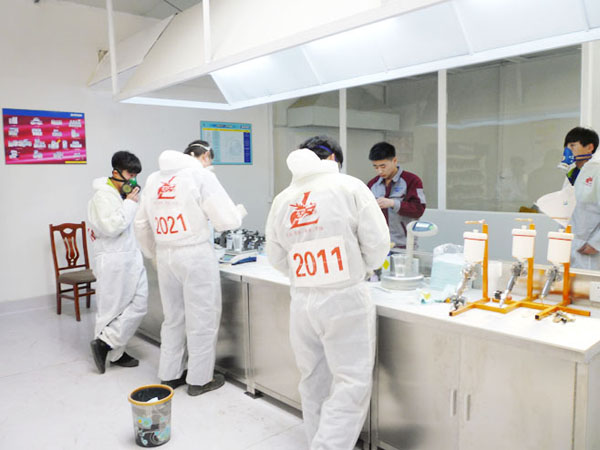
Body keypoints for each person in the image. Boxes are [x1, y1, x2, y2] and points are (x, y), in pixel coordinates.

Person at [266, 136, 390, 450]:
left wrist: (308, 277)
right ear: (333, 159)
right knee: (351, 382)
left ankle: (318, 441)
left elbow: (276, 257)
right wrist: (358, 269)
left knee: (313, 378)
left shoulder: (283, 199)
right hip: (345, 299)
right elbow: (378, 244)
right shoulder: (349, 187)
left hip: (302, 301)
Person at [134, 143, 246, 396]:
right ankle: (200, 379)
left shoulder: (153, 179)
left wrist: (152, 253)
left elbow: (140, 224)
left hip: (165, 254)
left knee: (173, 317)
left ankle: (169, 374)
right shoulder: (200, 176)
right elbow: (226, 220)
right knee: (202, 318)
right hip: (195, 254)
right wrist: (238, 213)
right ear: (205, 156)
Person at [88, 151, 148, 374]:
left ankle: (107, 343)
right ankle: (113, 353)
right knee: (111, 310)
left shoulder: (122, 196)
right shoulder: (102, 197)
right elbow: (112, 227)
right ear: (115, 172)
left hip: (130, 256)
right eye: (130, 174)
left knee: (139, 303)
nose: (133, 179)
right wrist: (130, 204)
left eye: (135, 175)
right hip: (112, 258)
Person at [367, 142, 426, 248]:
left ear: (394, 161)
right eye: (375, 167)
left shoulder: (412, 180)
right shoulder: (372, 184)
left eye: (383, 166)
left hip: (405, 246)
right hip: (379, 245)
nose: (379, 171)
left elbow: (418, 210)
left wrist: (393, 203)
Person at [562, 127, 600, 270]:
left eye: (573, 145)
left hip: (589, 247)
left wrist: (596, 243)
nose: (568, 150)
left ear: (590, 147)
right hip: (569, 242)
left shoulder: (597, 172)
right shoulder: (572, 173)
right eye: (566, 146)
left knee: (588, 283)